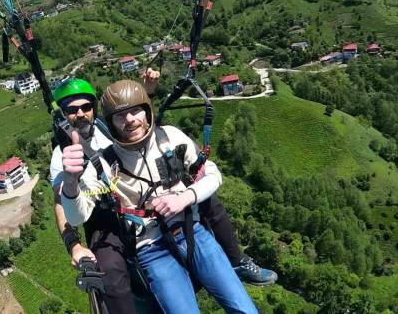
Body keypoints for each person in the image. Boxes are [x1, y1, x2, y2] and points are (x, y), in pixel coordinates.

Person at [49, 76, 276, 310]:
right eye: (71, 109)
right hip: (134, 234)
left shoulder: (155, 135)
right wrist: (71, 180)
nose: (80, 113)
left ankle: (237, 261)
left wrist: (185, 196)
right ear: (62, 115)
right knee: (111, 271)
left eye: (85, 107)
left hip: (189, 228)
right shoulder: (84, 159)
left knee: (212, 204)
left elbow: (208, 172)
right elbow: (70, 212)